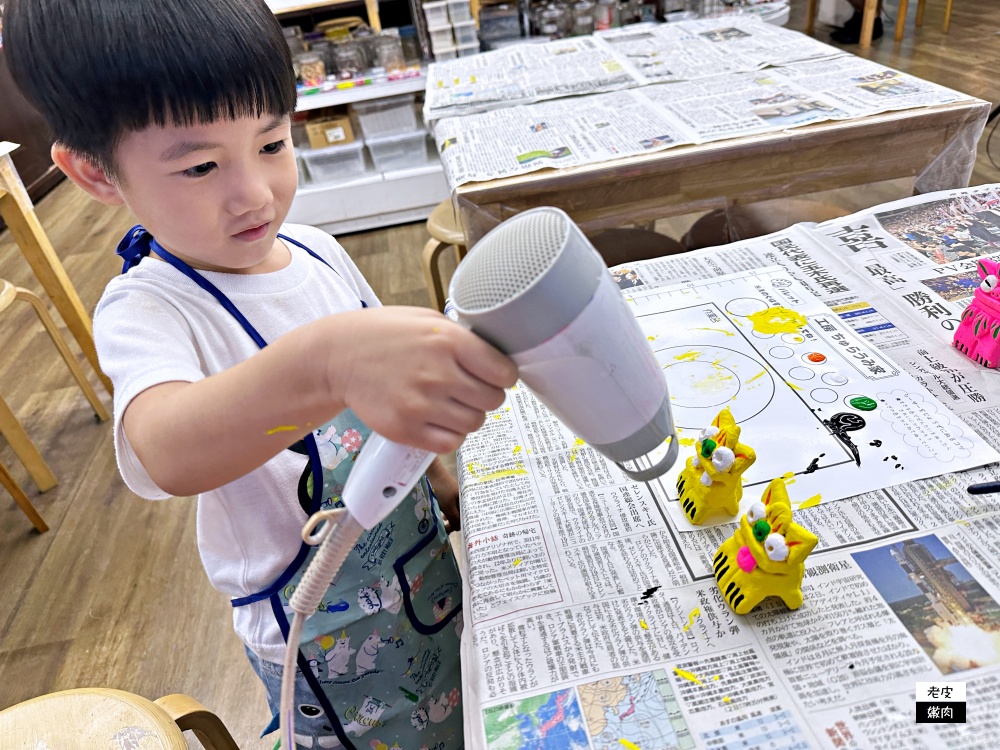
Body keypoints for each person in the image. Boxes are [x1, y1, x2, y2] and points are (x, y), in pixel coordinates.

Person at [2, 1, 518, 748]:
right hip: (328, 644)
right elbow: (164, 452)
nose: (254, 194)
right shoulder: (150, 308)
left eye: (272, 142)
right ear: (93, 171)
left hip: (425, 573)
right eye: (201, 166)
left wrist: (447, 489)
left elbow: (386, 424)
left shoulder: (315, 251)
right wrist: (325, 364)